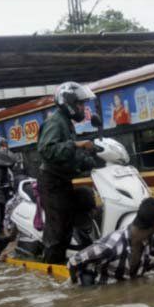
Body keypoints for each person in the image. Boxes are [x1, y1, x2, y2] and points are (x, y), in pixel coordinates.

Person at [37, 81, 100, 264]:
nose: (83, 108)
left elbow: (69, 157)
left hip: (63, 181)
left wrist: (91, 160)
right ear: (69, 104)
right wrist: (76, 144)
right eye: (80, 104)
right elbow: (47, 150)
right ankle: (51, 270)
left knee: (86, 197)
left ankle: (85, 251)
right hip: (51, 182)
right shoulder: (55, 121)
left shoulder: (66, 122)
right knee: (57, 232)